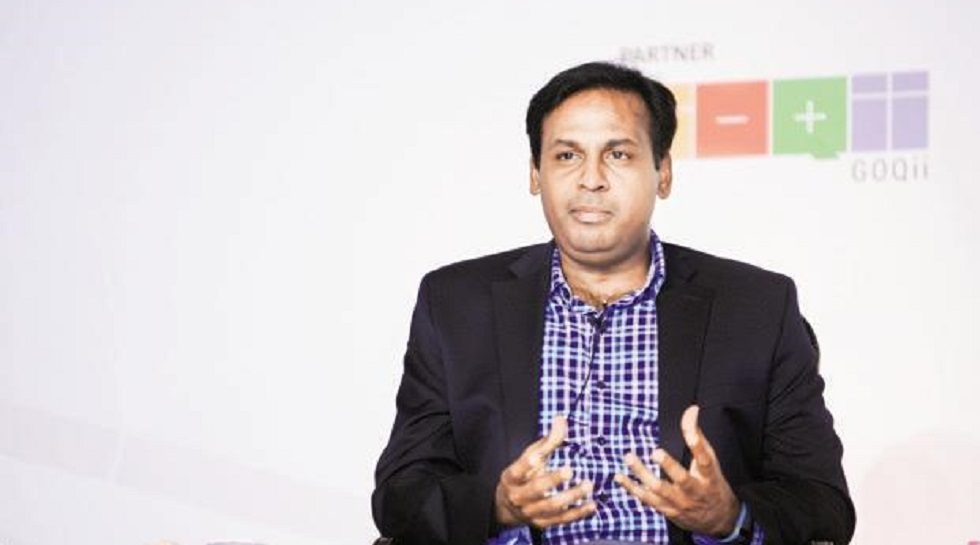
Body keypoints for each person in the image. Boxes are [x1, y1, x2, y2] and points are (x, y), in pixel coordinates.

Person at [372, 61, 855, 545]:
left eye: (618, 154)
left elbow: (823, 504)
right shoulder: (456, 305)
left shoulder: (756, 308)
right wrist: (496, 507)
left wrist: (729, 517)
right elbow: (401, 497)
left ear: (663, 172)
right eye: (566, 155)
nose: (591, 179)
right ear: (535, 173)